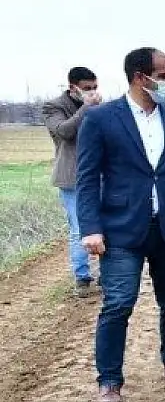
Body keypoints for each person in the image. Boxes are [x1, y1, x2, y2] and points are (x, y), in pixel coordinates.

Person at [75, 47, 165, 402]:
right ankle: (109, 382)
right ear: (141, 77)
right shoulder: (102, 119)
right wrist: (90, 228)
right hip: (121, 229)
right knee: (118, 303)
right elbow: (87, 178)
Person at [42, 66, 102, 297]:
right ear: (72, 87)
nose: (92, 92)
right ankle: (82, 277)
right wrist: (86, 109)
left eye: (95, 87)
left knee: (106, 225)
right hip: (72, 178)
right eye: (87, 88)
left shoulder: (100, 106)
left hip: (99, 174)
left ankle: (106, 274)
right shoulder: (54, 107)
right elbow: (64, 131)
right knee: (80, 229)